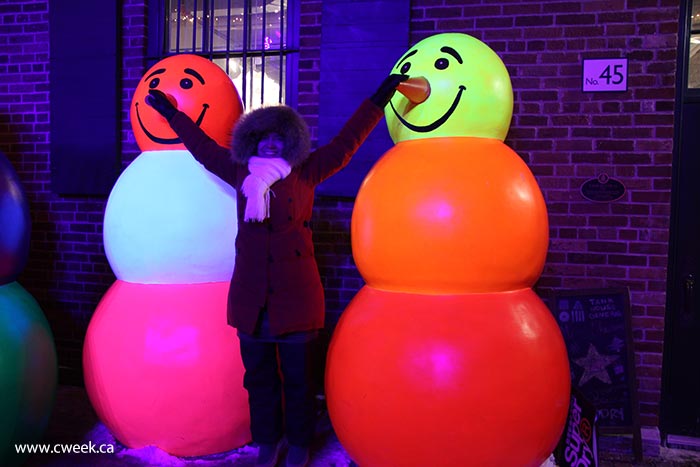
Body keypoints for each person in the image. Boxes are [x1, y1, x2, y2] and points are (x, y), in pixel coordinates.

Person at [146, 72, 407, 467]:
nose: (270, 142)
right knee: (259, 379)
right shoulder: (239, 171)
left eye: (278, 137)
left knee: (299, 380)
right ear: (251, 141)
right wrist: (172, 114)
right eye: (263, 136)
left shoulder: (307, 171)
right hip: (252, 301)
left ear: (290, 142)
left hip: (295, 299)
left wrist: (378, 101)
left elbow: (347, 142)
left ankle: (299, 441)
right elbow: (201, 146)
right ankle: (268, 440)